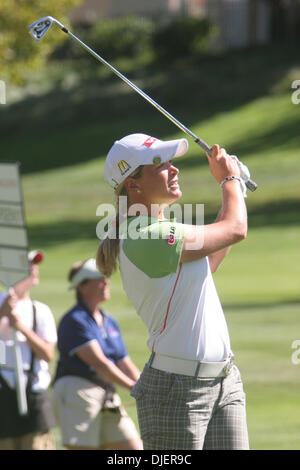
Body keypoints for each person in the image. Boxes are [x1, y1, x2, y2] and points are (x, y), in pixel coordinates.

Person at [97, 133, 249, 450]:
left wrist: (238, 190)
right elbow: (236, 229)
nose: (174, 170)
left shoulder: (161, 232)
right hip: (176, 392)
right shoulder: (144, 235)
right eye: (160, 165)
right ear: (134, 185)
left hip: (225, 381)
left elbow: (212, 256)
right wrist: (229, 180)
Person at [52, 258, 142, 450]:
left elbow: (123, 361)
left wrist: (145, 386)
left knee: (133, 447)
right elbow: (101, 364)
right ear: (82, 287)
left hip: (106, 392)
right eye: (99, 278)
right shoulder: (74, 320)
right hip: (78, 391)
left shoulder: (109, 321)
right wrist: (136, 389)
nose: (106, 282)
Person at [0, 250, 57, 450]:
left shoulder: (40, 310)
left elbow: (47, 354)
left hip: (34, 396)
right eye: (28, 265)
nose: (34, 270)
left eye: (35, 265)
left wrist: (21, 327)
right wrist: (2, 314)